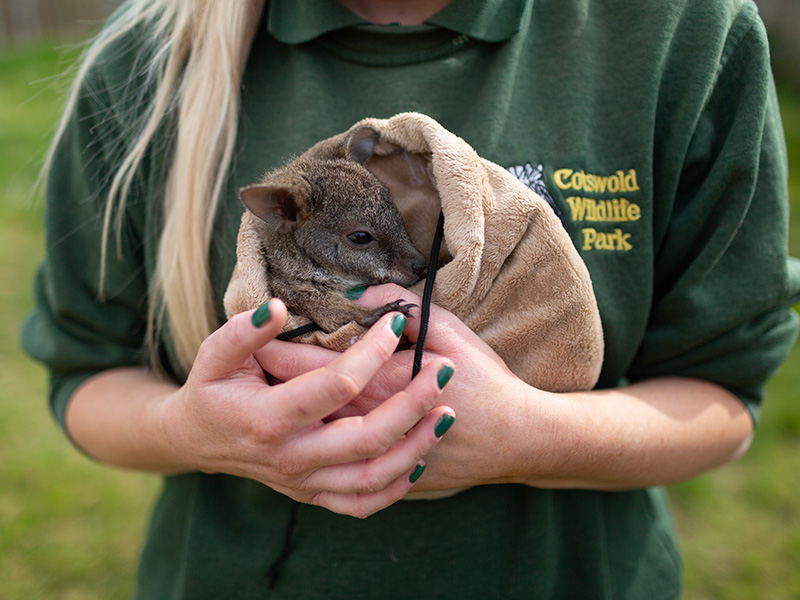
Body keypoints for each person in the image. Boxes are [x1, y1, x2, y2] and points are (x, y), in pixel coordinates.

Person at [22, 0, 800, 598]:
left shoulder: (679, 30)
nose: (401, 266)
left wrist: (534, 436)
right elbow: (85, 373)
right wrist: (197, 431)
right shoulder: (147, 56)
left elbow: (724, 400)